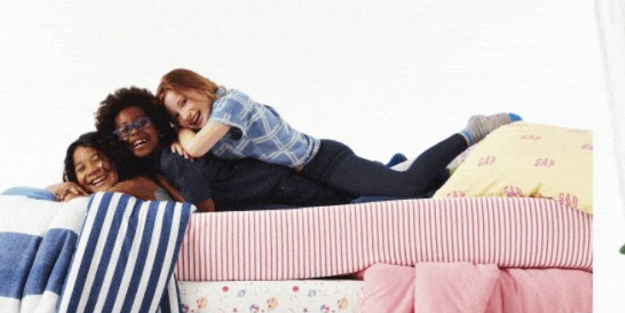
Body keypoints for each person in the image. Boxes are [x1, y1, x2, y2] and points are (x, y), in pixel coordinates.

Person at [156, 68, 520, 199]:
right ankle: (403, 167)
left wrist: (180, 138)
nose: (187, 115)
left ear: (200, 87)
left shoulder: (231, 104)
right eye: (177, 115)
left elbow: (198, 148)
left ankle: (473, 131)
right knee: (395, 195)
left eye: (185, 101)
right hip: (309, 174)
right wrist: (179, 136)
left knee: (407, 186)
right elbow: (194, 143)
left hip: (324, 160)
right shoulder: (204, 126)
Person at [94, 87, 359, 212]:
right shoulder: (154, 164)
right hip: (259, 195)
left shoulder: (172, 159)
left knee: (347, 205)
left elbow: (203, 207)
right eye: (125, 130)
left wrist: (164, 182)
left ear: (159, 126)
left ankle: (389, 183)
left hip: (280, 183)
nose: (135, 133)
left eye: (142, 123)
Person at [47, 131, 178, 202]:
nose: (92, 170)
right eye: (81, 169)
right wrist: (62, 187)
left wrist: (69, 196)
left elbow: (87, 204)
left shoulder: (138, 184)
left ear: (115, 157)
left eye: (97, 159)